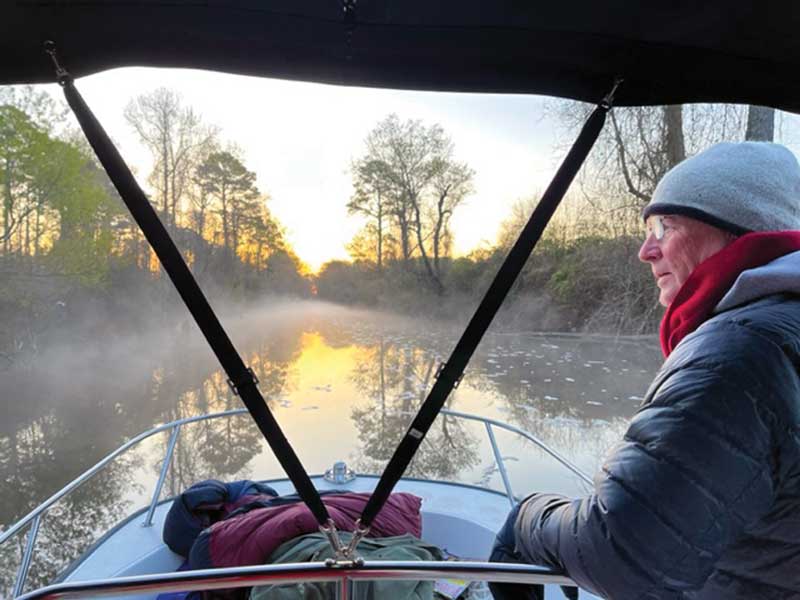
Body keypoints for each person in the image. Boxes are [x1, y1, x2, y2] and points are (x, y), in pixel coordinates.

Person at [490, 142, 800, 599]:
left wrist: (526, 522)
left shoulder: (737, 354)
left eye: (664, 225)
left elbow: (620, 552)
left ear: (736, 230)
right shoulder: (785, 328)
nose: (645, 250)